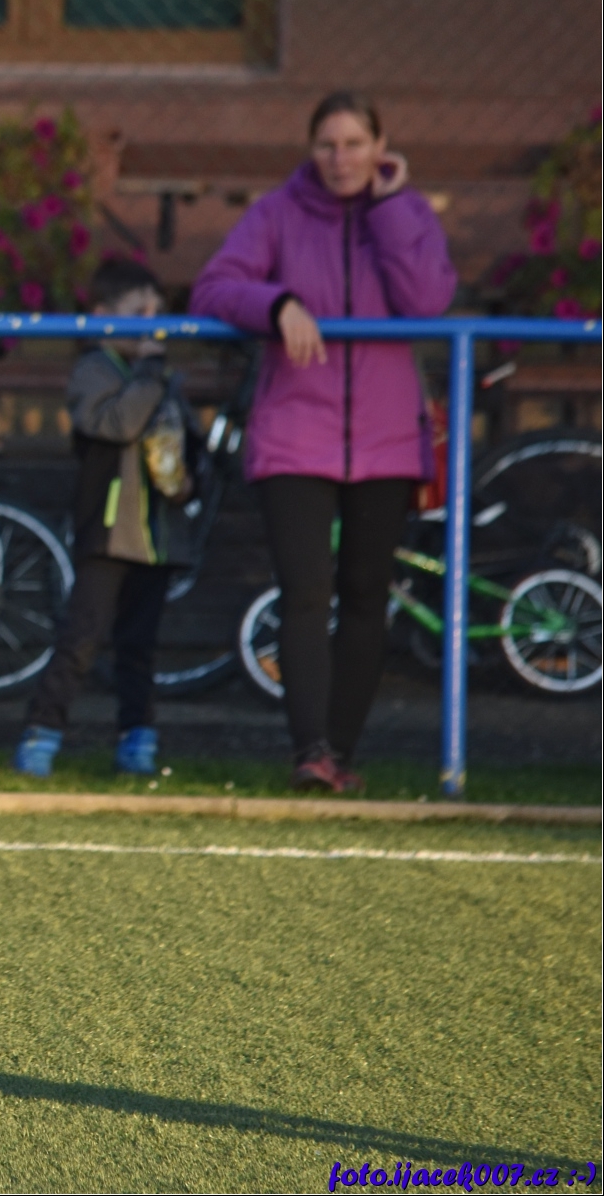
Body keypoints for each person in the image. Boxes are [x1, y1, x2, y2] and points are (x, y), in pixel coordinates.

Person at [191, 90, 457, 793]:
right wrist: (276, 304)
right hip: (295, 433)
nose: (340, 159)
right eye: (327, 146)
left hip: (384, 438)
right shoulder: (275, 214)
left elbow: (428, 301)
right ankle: (309, 751)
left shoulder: (409, 213)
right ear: (310, 150)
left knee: (366, 594)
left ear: (381, 148)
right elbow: (214, 288)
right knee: (305, 592)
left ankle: (341, 751)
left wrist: (391, 211)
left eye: (354, 144)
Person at [13, 259, 199, 778]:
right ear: (101, 316)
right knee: (82, 637)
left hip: (157, 536)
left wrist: (189, 480)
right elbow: (118, 424)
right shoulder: (96, 371)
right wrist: (149, 374)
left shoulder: (163, 379)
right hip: (110, 533)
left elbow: (183, 441)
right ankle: (41, 735)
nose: (150, 326)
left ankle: (137, 741)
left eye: (157, 315)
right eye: (138, 314)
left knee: (139, 647)